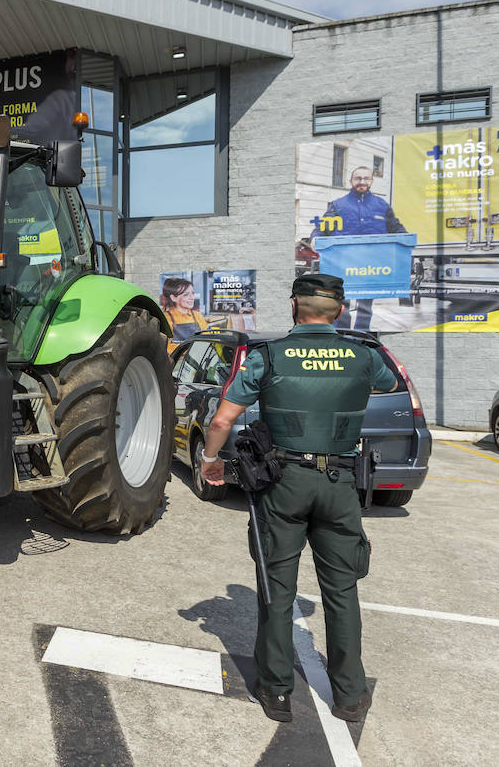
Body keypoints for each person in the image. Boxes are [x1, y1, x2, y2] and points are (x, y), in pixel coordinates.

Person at [199, 274, 397, 725]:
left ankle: (276, 692)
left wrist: (211, 461)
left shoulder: (267, 357)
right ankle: (349, 695)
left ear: (294, 306)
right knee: (342, 590)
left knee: (276, 590)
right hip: (340, 483)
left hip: (282, 483)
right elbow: (385, 385)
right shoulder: (365, 356)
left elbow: (222, 418)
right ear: (339, 311)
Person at [318, 167, 408, 330]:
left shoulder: (381, 205)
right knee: (341, 305)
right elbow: (323, 227)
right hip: (343, 266)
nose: (362, 181)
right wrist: (314, 238)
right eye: (358, 178)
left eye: (366, 178)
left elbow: (396, 227)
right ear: (351, 181)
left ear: (372, 181)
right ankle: (342, 334)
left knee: (365, 308)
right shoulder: (338, 205)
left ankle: (362, 335)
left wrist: (406, 241)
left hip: (369, 268)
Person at [160, 277, 209, 343]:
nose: (192, 297)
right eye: (186, 295)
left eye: (192, 293)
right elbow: (166, 345)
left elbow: (206, 338)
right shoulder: (166, 319)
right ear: (173, 298)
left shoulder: (197, 316)